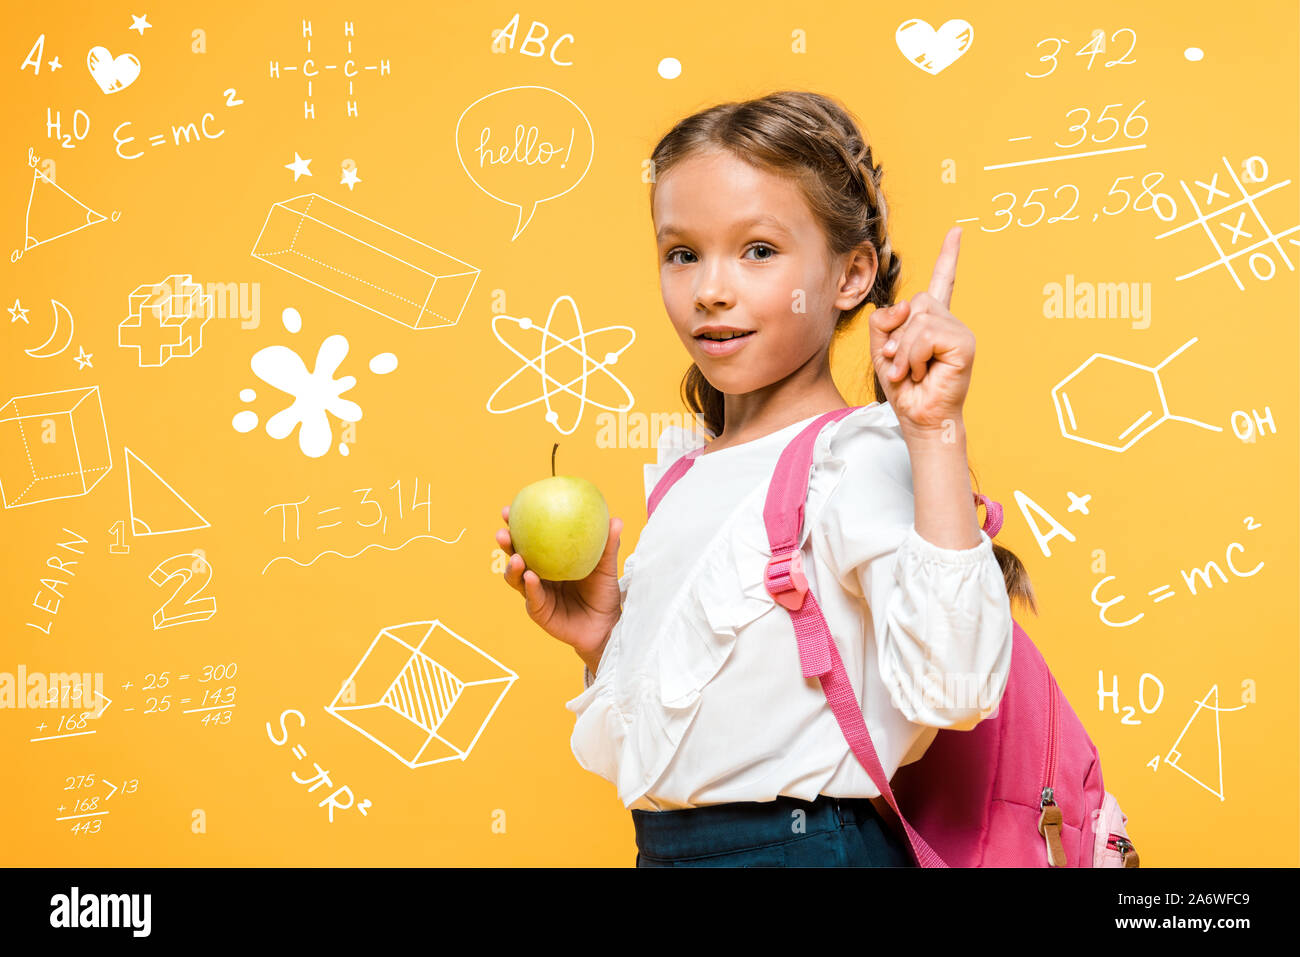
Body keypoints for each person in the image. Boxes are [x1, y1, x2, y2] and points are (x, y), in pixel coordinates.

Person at [495, 90, 1037, 867]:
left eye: (757, 251)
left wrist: (932, 432)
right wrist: (604, 642)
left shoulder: (853, 456)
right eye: (683, 253)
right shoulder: (687, 472)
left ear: (852, 275)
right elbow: (682, 746)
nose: (711, 288)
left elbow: (954, 689)